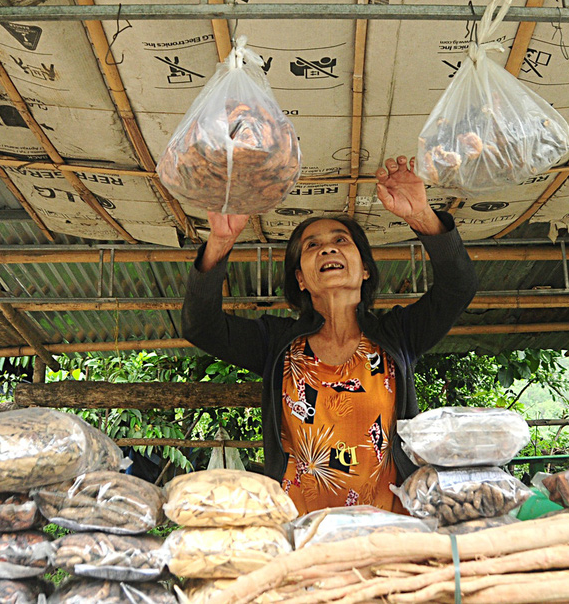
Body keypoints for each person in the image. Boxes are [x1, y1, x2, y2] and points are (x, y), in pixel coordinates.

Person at [182, 156, 477, 514]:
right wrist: (221, 241)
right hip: (302, 532)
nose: (328, 248)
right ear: (301, 280)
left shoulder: (397, 336)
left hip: (389, 528)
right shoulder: (278, 344)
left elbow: (458, 287)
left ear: (365, 269)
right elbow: (201, 326)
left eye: (342, 240)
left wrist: (420, 215)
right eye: (311, 245)